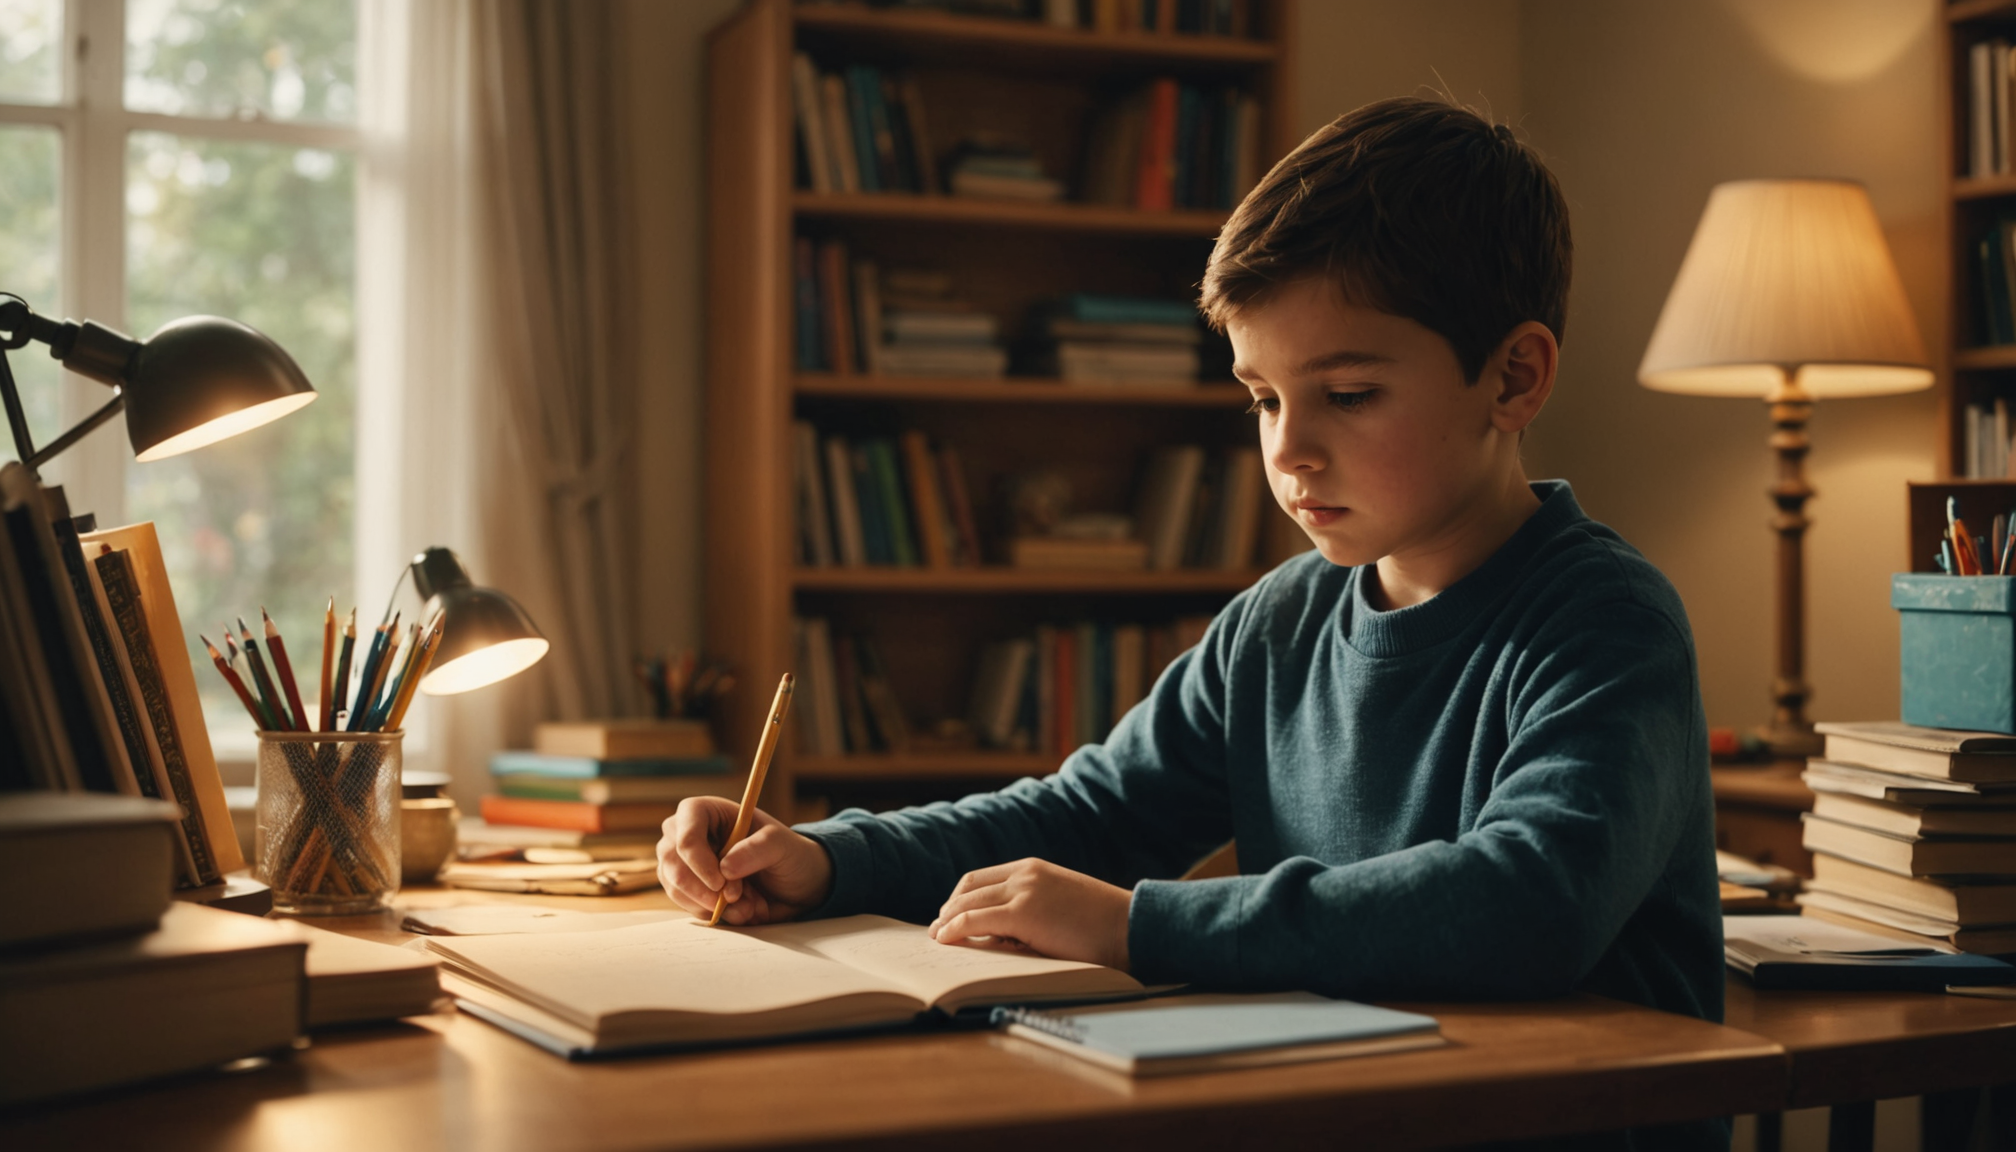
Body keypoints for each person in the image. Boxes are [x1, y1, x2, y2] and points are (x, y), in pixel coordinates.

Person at [660, 97, 1722, 1143]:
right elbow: (1092, 816)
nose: (1288, 450)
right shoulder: (1281, 621)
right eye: (1262, 398)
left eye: (1347, 394)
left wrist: (1135, 924)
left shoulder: (1606, 621)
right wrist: (828, 859)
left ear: (1515, 376)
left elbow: (1530, 902)